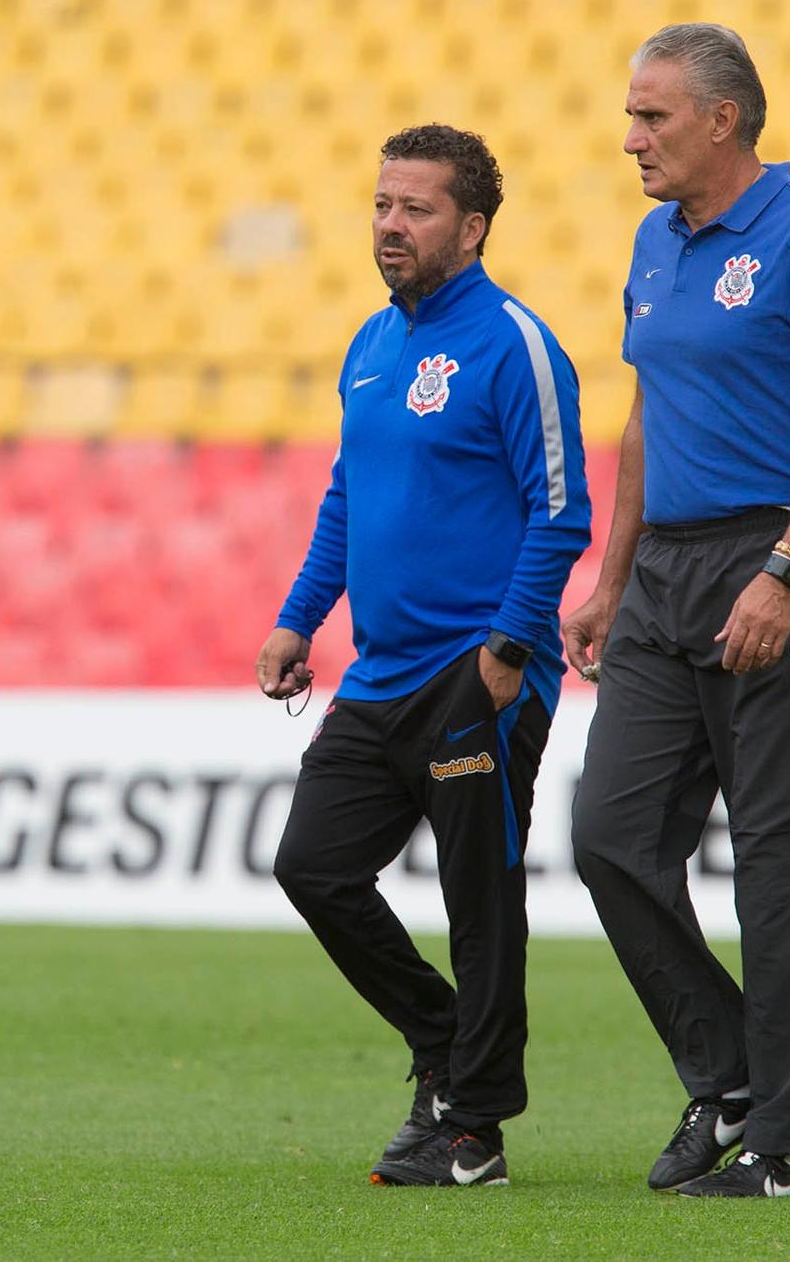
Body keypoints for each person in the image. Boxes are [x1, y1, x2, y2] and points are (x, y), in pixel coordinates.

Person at [563, 23, 790, 1198]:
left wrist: (788, 568)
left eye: (652, 116)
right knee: (609, 836)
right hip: (662, 577)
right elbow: (648, 416)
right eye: (630, 115)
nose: (632, 137)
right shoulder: (654, 240)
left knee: (773, 858)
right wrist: (611, 575)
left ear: (723, 119)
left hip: (778, 558)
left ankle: (783, 1144)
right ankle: (733, 1072)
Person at [260, 124, 591, 1188]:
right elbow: (348, 497)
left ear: (474, 226)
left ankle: (473, 1127)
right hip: (379, 674)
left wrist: (508, 649)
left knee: (478, 896)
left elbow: (560, 510)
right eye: (382, 206)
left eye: (417, 209)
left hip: (476, 672)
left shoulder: (516, 344)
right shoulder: (370, 344)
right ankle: (447, 1043)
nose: (391, 226)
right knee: (311, 866)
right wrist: (299, 617)